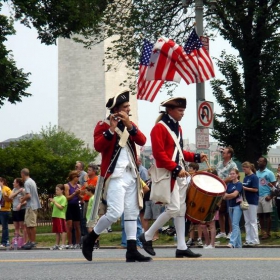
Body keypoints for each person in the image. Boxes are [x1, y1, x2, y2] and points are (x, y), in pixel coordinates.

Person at [82, 90, 151, 262]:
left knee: (131, 212)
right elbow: (98, 146)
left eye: (128, 107)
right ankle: (90, 239)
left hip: (130, 175)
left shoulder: (129, 125)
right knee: (114, 213)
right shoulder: (103, 125)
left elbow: (142, 140)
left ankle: (132, 249)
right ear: (116, 110)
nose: (128, 109)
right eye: (125, 107)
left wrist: (129, 125)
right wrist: (111, 130)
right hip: (114, 176)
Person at [139, 97, 207, 258]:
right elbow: (159, 155)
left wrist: (196, 157)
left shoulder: (178, 128)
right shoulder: (159, 128)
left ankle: (181, 246)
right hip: (168, 173)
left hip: (177, 173)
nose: (182, 113)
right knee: (174, 209)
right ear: (170, 110)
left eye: (183, 110)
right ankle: (147, 236)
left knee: (181, 210)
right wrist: (176, 168)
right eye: (180, 110)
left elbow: (179, 153)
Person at [215, 147, 237, 239]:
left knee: (229, 211)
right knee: (220, 211)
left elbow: (232, 178)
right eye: (222, 152)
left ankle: (231, 232)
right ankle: (222, 231)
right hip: (219, 189)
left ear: (229, 154)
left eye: (224, 153)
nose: (222, 154)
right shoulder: (219, 163)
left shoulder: (233, 165)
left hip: (229, 189)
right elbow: (216, 174)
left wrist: (223, 181)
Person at [20, 169, 41, 250]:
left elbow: (28, 195)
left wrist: (22, 199)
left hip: (31, 206)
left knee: (31, 225)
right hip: (32, 205)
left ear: (22, 174)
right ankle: (30, 241)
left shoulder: (27, 182)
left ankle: (32, 241)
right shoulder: (32, 181)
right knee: (28, 224)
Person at [256, 157, 276, 240]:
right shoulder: (256, 173)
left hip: (266, 195)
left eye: (261, 161)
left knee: (267, 214)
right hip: (258, 196)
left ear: (265, 163)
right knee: (260, 215)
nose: (259, 162)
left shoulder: (269, 173)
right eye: (258, 161)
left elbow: (274, 186)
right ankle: (262, 232)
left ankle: (268, 232)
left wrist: (270, 196)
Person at [223, 168, 243, 248]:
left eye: (233, 173)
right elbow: (224, 196)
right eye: (230, 174)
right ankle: (239, 244)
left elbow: (235, 194)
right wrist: (227, 196)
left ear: (237, 175)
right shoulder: (229, 185)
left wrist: (227, 196)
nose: (232, 175)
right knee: (235, 225)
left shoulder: (239, 184)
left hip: (237, 206)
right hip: (230, 206)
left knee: (234, 224)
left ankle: (232, 242)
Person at [242, 161, 260, 246]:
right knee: (247, 221)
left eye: (245, 168)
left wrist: (245, 188)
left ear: (249, 168)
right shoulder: (245, 178)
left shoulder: (254, 177)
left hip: (252, 201)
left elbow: (255, 189)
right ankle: (248, 239)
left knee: (253, 220)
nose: (244, 170)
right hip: (246, 201)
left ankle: (255, 239)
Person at [64, 170, 82, 249]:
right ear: (73, 177)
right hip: (69, 206)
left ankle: (78, 243)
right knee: (70, 226)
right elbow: (67, 198)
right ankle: (70, 242)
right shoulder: (67, 186)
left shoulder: (79, 186)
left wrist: (78, 194)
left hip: (76, 206)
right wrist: (74, 193)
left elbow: (81, 198)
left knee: (77, 226)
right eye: (77, 177)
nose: (78, 178)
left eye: (78, 177)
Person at [80, 163, 99, 236]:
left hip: (91, 201)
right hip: (86, 201)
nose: (87, 171)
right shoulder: (88, 180)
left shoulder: (96, 179)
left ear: (94, 171)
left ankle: (94, 239)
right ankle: (86, 236)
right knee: (85, 220)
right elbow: (83, 190)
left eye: (89, 170)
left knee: (92, 220)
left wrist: (85, 181)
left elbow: (89, 189)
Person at [49, 184, 68, 250]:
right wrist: (51, 202)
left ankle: (63, 244)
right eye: (56, 190)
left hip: (60, 216)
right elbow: (51, 206)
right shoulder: (55, 198)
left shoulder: (63, 198)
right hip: (55, 215)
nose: (56, 191)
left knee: (62, 230)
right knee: (57, 231)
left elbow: (61, 207)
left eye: (58, 190)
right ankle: (57, 244)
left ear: (62, 191)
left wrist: (54, 202)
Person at [9, 178, 27, 242]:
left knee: (23, 227)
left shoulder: (23, 190)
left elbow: (27, 201)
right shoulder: (14, 190)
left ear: (18, 183)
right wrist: (18, 191)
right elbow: (10, 197)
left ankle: (24, 241)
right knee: (16, 227)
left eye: (14, 182)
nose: (13, 183)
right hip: (14, 209)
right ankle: (17, 242)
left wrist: (20, 204)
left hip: (21, 210)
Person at [0, 177, 12, 247]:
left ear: (2, 182)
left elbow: (11, 199)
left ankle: (5, 241)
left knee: (4, 227)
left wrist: (6, 196)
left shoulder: (6, 189)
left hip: (5, 210)